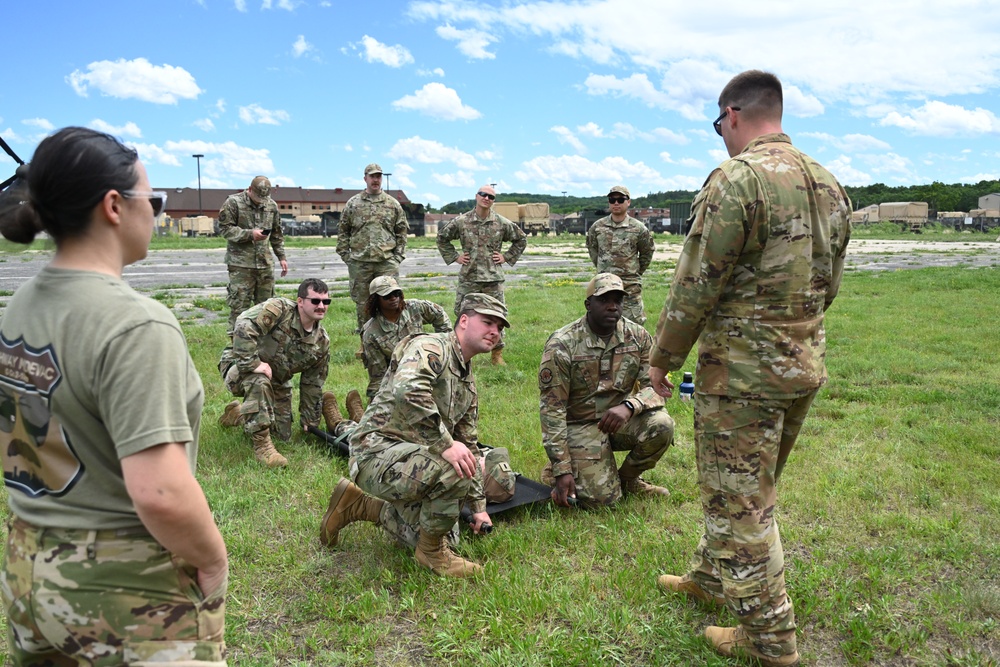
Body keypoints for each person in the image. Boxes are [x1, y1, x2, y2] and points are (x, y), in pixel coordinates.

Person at [0, 127, 228, 664]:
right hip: (124, 588)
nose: (157, 211)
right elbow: (161, 494)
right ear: (113, 206)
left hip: (27, 566)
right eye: (153, 200)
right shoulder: (136, 324)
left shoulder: (22, 304)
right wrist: (213, 559)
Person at [647, 70, 852, 666]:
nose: (720, 136)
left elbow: (695, 285)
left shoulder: (738, 179)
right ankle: (712, 579)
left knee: (742, 506)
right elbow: (828, 285)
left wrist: (662, 362)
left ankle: (771, 642)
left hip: (741, 378)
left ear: (733, 115)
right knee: (746, 492)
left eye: (718, 125)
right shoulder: (829, 183)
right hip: (801, 366)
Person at [318, 294, 510, 578]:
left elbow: (468, 443)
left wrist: (479, 508)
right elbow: (408, 390)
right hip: (376, 452)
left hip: (410, 459)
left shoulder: (466, 382)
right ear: (465, 321)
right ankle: (432, 555)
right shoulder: (431, 347)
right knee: (452, 469)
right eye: (488, 322)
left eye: (500, 326)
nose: (495, 331)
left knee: (441, 531)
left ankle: (358, 504)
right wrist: (445, 445)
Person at [539, 273, 674, 509]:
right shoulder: (563, 344)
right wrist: (562, 469)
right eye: (604, 300)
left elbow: (654, 388)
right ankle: (558, 469)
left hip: (619, 420)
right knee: (603, 502)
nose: (612, 306)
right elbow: (552, 411)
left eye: (618, 300)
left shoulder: (638, 336)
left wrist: (630, 406)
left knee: (662, 425)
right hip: (579, 425)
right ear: (588, 305)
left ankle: (629, 479)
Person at [218, 278, 331, 468]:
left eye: (325, 302)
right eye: (315, 301)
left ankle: (237, 414)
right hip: (240, 368)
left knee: (282, 436)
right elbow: (243, 324)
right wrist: (253, 363)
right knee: (259, 380)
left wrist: (309, 419)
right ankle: (262, 447)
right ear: (300, 301)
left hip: (277, 381)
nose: (321, 306)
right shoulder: (279, 309)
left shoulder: (321, 342)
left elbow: (312, 383)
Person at [436, 184, 527, 366]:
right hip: (469, 276)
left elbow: (521, 239)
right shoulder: (462, 221)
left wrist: (506, 256)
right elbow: (442, 238)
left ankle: (497, 354)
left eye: (491, 197)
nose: (487, 198)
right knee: (462, 313)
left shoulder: (501, 222)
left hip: (493, 278)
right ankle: (459, 350)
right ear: (476, 197)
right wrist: (455, 257)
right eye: (483, 194)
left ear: (493, 201)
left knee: (497, 315)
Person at [337, 163, 408, 334]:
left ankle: (392, 332)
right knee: (362, 302)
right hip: (360, 262)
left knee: (391, 299)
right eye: (372, 176)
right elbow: (343, 231)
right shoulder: (353, 204)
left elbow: (402, 231)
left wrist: (397, 257)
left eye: (378, 176)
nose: (375, 180)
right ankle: (365, 334)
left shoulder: (392, 204)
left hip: (386, 262)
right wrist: (348, 257)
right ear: (365, 178)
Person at [361, 275, 452, 401]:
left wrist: (444, 343)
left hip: (427, 365)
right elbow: (378, 374)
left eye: (396, 293)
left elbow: (439, 314)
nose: (393, 298)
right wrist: (378, 401)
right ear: (376, 300)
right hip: (399, 376)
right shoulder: (371, 333)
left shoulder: (414, 307)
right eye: (387, 296)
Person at [218, 175, 288, 335]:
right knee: (239, 307)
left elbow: (277, 233)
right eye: (258, 198)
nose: (260, 202)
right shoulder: (233, 203)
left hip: (265, 264)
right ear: (249, 190)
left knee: (267, 308)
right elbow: (225, 229)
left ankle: (264, 347)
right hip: (241, 265)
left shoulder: (271, 205)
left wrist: (282, 257)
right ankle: (237, 348)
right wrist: (250, 234)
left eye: (264, 199)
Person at [586, 185, 655, 324]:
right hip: (604, 286)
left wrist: (635, 271)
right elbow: (593, 249)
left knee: (634, 325)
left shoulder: (639, 228)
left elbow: (647, 252)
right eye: (612, 200)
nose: (616, 203)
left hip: (629, 285)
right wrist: (603, 270)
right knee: (603, 323)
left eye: (620, 199)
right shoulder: (597, 227)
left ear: (628, 202)